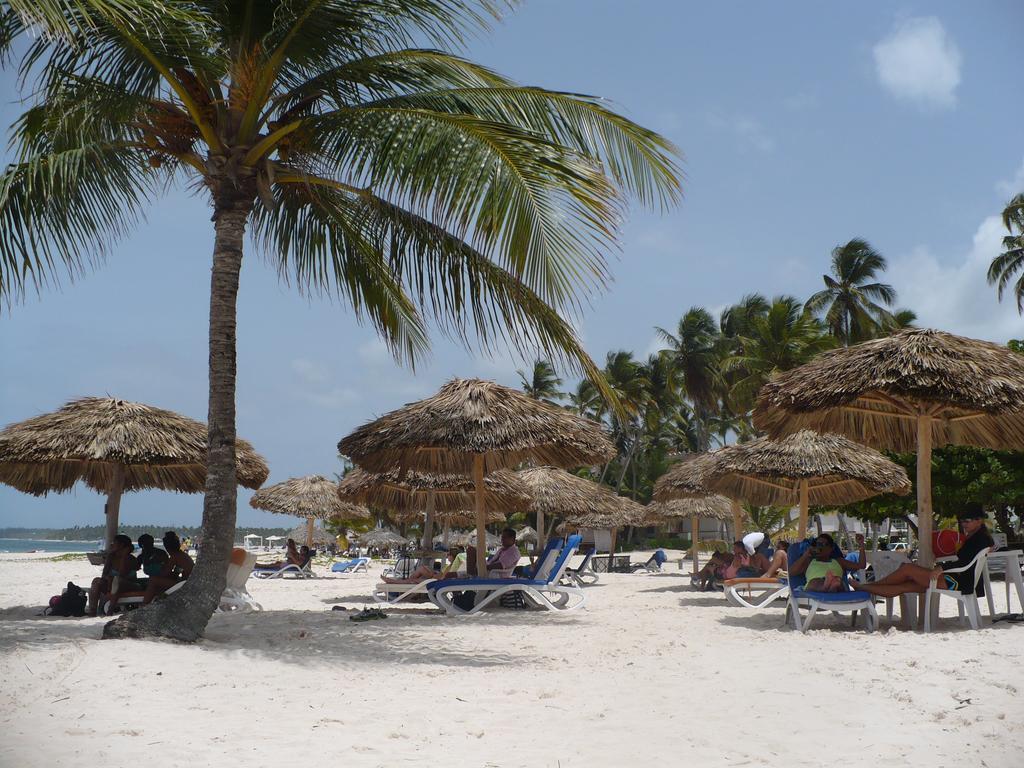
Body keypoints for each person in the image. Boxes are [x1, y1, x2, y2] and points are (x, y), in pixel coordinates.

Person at [855, 504, 994, 599]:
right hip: (960, 579)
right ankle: (865, 588)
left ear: (979, 521)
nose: (964, 524)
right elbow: (966, 559)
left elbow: (965, 562)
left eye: (967, 521)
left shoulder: (979, 539)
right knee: (905, 585)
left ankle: (868, 586)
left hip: (958, 581)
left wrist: (941, 568)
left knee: (907, 569)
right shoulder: (979, 537)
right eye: (962, 521)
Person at [105, 533, 169, 614]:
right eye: (144, 545)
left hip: (161, 581)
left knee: (120, 582)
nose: (146, 547)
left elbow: (167, 569)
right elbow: (133, 568)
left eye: (148, 544)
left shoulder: (161, 554)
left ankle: (144, 605)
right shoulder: (141, 557)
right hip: (151, 582)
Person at [790, 533, 865, 592]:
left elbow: (861, 565)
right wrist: (805, 555)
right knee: (815, 581)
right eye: (818, 544)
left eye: (823, 544)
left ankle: (830, 586)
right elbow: (791, 572)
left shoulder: (839, 561)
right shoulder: (809, 561)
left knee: (838, 581)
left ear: (831, 548)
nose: (820, 547)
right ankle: (827, 586)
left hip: (837, 585)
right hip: (815, 586)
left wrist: (861, 544)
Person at [88, 534, 139, 616]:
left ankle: (110, 611)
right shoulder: (111, 557)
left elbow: (122, 574)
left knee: (118, 581)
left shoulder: (131, 559)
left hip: (129, 585)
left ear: (121, 545)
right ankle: (92, 611)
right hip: (111, 585)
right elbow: (104, 574)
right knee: (96, 581)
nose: (112, 544)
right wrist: (107, 585)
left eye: (114, 542)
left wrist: (124, 556)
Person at [141, 531, 194, 605]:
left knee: (153, 580)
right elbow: (176, 573)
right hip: (186, 583)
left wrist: (156, 574)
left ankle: (144, 605)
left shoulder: (174, 557)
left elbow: (166, 573)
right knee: (156, 583)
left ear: (167, 547)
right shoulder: (181, 555)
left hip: (184, 585)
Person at [382, 548, 464, 584]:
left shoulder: (450, 567)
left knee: (413, 580)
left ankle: (394, 582)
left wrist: (434, 576)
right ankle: (398, 582)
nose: (447, 556)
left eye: (449, 554)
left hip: (435, 580)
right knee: (422, 569)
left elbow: (442, 577)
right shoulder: (450, 566)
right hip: (434, 577)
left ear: (453, 556)